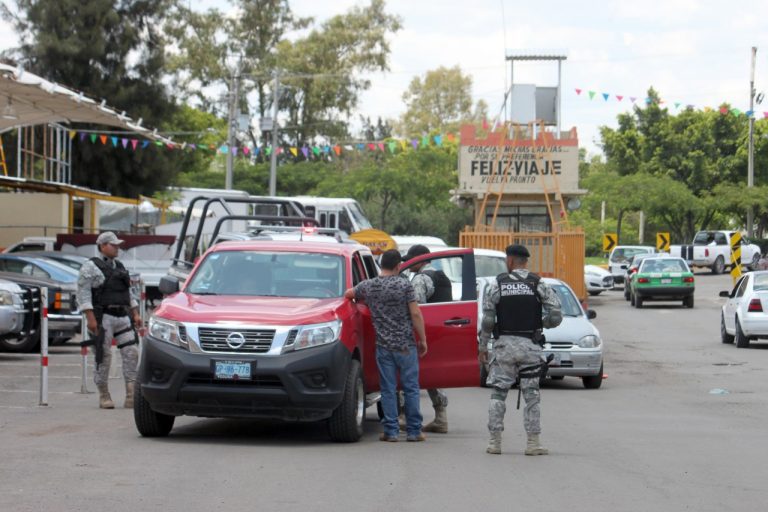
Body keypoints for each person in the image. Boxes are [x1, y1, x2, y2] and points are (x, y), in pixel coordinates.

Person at [478, 243, 562, 455]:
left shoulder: (497, 284)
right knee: (532, 395)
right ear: (526, 261)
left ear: (509, 260)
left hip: (504, 347)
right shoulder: (538, 283)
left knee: (498, 394)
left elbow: (488, 320)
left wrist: (482, 346)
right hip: (530, 347)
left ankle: (494, 443)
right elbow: (556, 315)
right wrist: (541, 323)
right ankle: (533, 444)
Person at [344, 249, 428, 442]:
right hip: (406, 345)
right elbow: (415, 314)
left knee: (388, 389)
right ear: (398, 266)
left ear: (381, 264)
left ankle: (391, 431)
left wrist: (357, 300)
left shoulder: (369, 286)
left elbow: (349, 294)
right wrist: (422, 339)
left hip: (383, 346)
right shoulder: (404, 285)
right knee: (411, 388)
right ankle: (414, 431)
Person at [76, 232, 141, 409]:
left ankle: (131, 393)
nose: (117, 248)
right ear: (103, 246)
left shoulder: (119, 266)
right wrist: (90, 318)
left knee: (131, 352)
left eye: (118, 245)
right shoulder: (90, 267)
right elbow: (83, 294)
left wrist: (135, 313)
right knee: (103, 355)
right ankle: (104, 394)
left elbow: (128, 293)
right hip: (102, 317)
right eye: (113, 245)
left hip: (122, 315)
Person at [403, 244, 451, 434]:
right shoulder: (442, 276)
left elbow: (416, 309)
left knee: (407, 373)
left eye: (411, 260)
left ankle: (405, 416)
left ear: (421, 260)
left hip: (424, 331)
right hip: (441, 330)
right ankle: (441, 417)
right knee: (433, 373)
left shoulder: (421, 279)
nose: (408, 263)